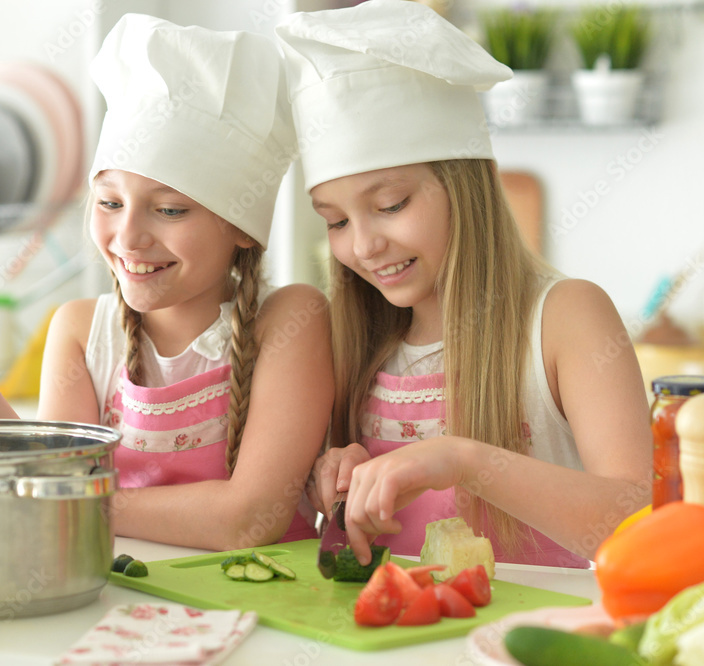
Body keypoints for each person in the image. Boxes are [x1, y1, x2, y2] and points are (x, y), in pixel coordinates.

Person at [0, 14, 333, 551]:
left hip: (263, 611)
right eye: (110, 202)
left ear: (242, 227)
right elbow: (39, 470)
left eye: (171, 209)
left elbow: (248, 517)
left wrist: (72, 498)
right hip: (118, 600)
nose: (129, 236)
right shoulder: (82, 332)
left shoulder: (293, 321)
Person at [275, 0, 651, 568]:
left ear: (465, 186)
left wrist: (465, 460)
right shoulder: (353, 339)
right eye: (337, 221)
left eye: (391, 204)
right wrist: (335, 475)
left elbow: (637, 518)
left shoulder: (567, 317)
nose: (364, 244)